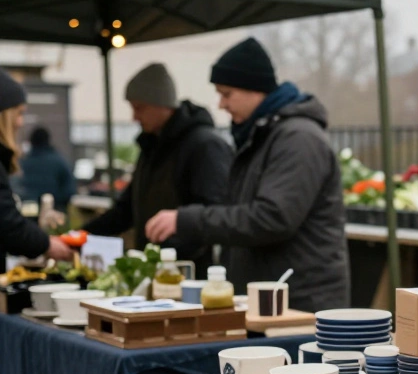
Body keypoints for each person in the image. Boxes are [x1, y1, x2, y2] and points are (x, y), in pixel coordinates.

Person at [144, 38, 349, 313]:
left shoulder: (298, 139)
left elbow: (272, 217)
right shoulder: (262, 135)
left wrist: (189, 220)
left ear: (255, 90)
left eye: (227, 94)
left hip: (299, 303)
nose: (221, 104)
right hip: (271, 298)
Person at [82, 63, 232, 276]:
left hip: (192, 276)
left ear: (163, 104)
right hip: (153, 271)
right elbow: (126, 210)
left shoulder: (204, 145)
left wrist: (166, 254)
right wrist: (82, 236)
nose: (134, 117)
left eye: (139, 108)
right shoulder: (151, 147)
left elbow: (215, 213)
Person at [0, 70, 75, 262]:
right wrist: (46, 244)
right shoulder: (58, 160)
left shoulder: (24, 160)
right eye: (19, 113)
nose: (20, 122)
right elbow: (6, 221)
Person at [18, 127, 76, 210]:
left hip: (28, 212)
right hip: (55, 211)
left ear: (31, 141)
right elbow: (70, 190)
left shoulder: (23, 163)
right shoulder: (59, 161)